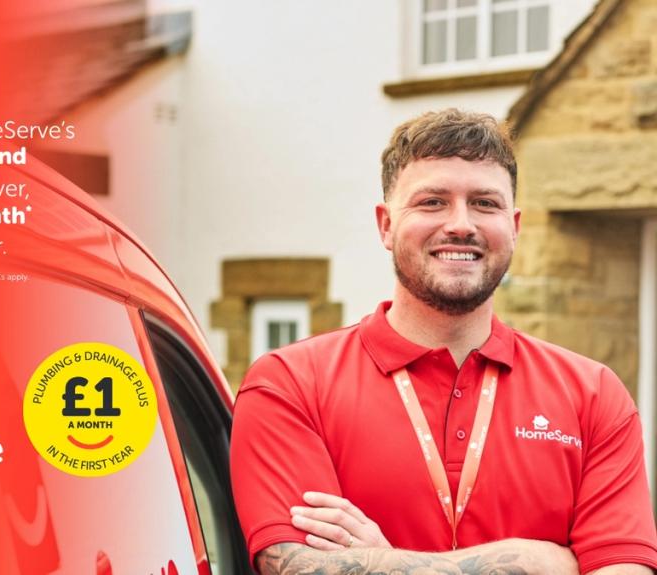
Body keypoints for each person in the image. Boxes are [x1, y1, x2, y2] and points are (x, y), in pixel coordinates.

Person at [229, 109, 657, 575]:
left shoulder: (593, 394)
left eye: (485, 204)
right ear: (386, 226)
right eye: (432, 202)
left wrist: (382, 561)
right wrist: (539, 561)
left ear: (514, 226)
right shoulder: (289, 384)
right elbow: (295, 568)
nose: (460, 224)